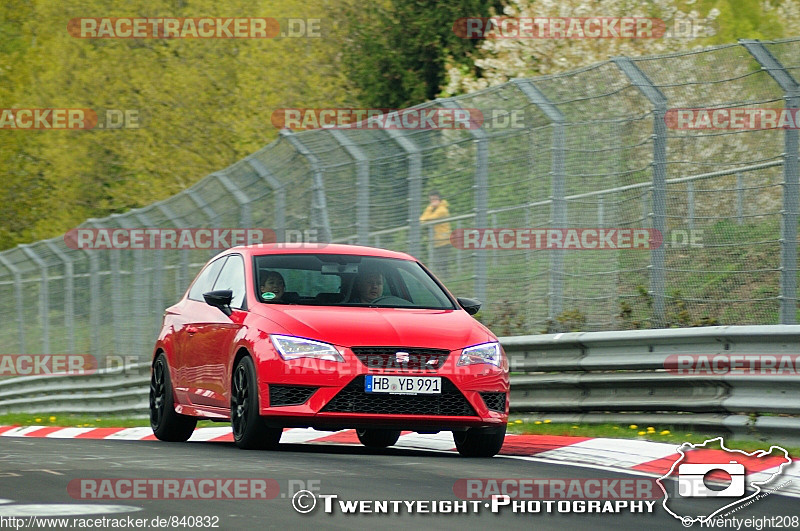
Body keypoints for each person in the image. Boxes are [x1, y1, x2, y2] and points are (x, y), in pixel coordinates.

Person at [419, 190, 452, 275]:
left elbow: (430, 219)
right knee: (438, 263)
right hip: (436, 241)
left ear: (439, 200)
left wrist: (430, 209)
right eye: (431, 200)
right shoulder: (433, 209)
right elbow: (422, 220)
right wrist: (430, 208)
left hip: (444, 240)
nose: (433, 202)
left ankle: (445, 279)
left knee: (443, 263)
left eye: (435, 199)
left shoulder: (442, 210)